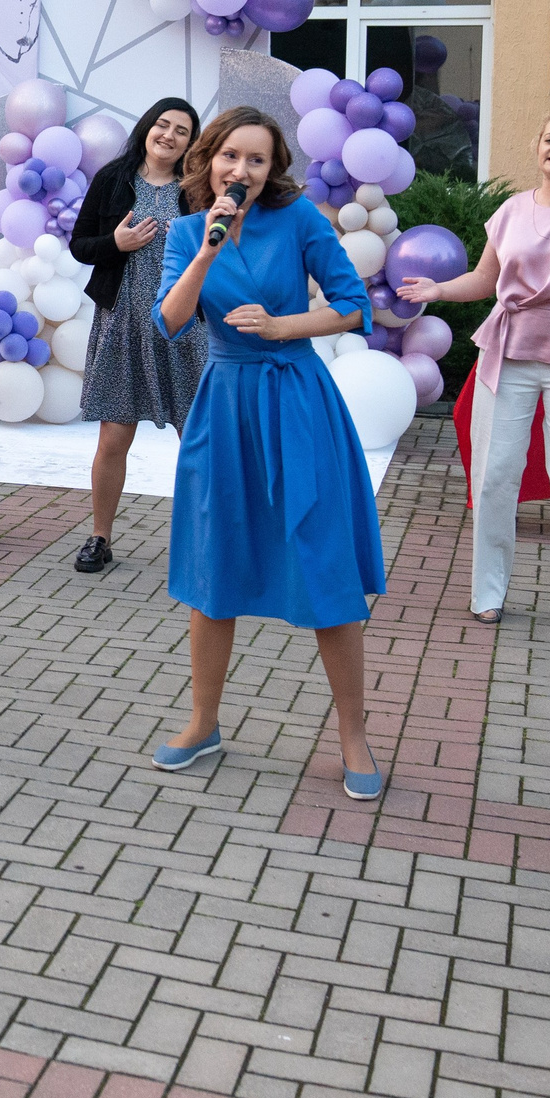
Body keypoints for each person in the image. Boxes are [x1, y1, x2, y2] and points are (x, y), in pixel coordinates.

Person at [153, 106, 386, 797]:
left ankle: (353, 734)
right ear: (209, 161)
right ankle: (203, 722)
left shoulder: (302, 220)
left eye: (257, 160)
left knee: (325, 566)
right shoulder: (189, 230)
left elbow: (352, 305)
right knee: (212, 564)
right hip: (224, 406)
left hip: (297, 401)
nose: (242, 170)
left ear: (273, 168)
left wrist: (285, 325)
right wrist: (205, 254)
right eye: (231, 156)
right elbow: (167, 321)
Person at [399, 107, 550, 639]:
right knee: (493, 474)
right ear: (538, 148)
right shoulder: (511, 210)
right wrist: (438, 290)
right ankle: (487, 592)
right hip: (508, 354)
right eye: (549, 138)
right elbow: (485, 280)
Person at [69, 98, 206, 573]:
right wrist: (115, 244)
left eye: (182, 130)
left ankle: (210, 540)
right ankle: (99, 537)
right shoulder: (113, 179)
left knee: (199, 437)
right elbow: (79, 245)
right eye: (162, 125)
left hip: (183, 325)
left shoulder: (197, 190)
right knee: (113, 437)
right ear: (147, 127)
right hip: (121, 323)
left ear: (193, 142)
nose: (169, 135)